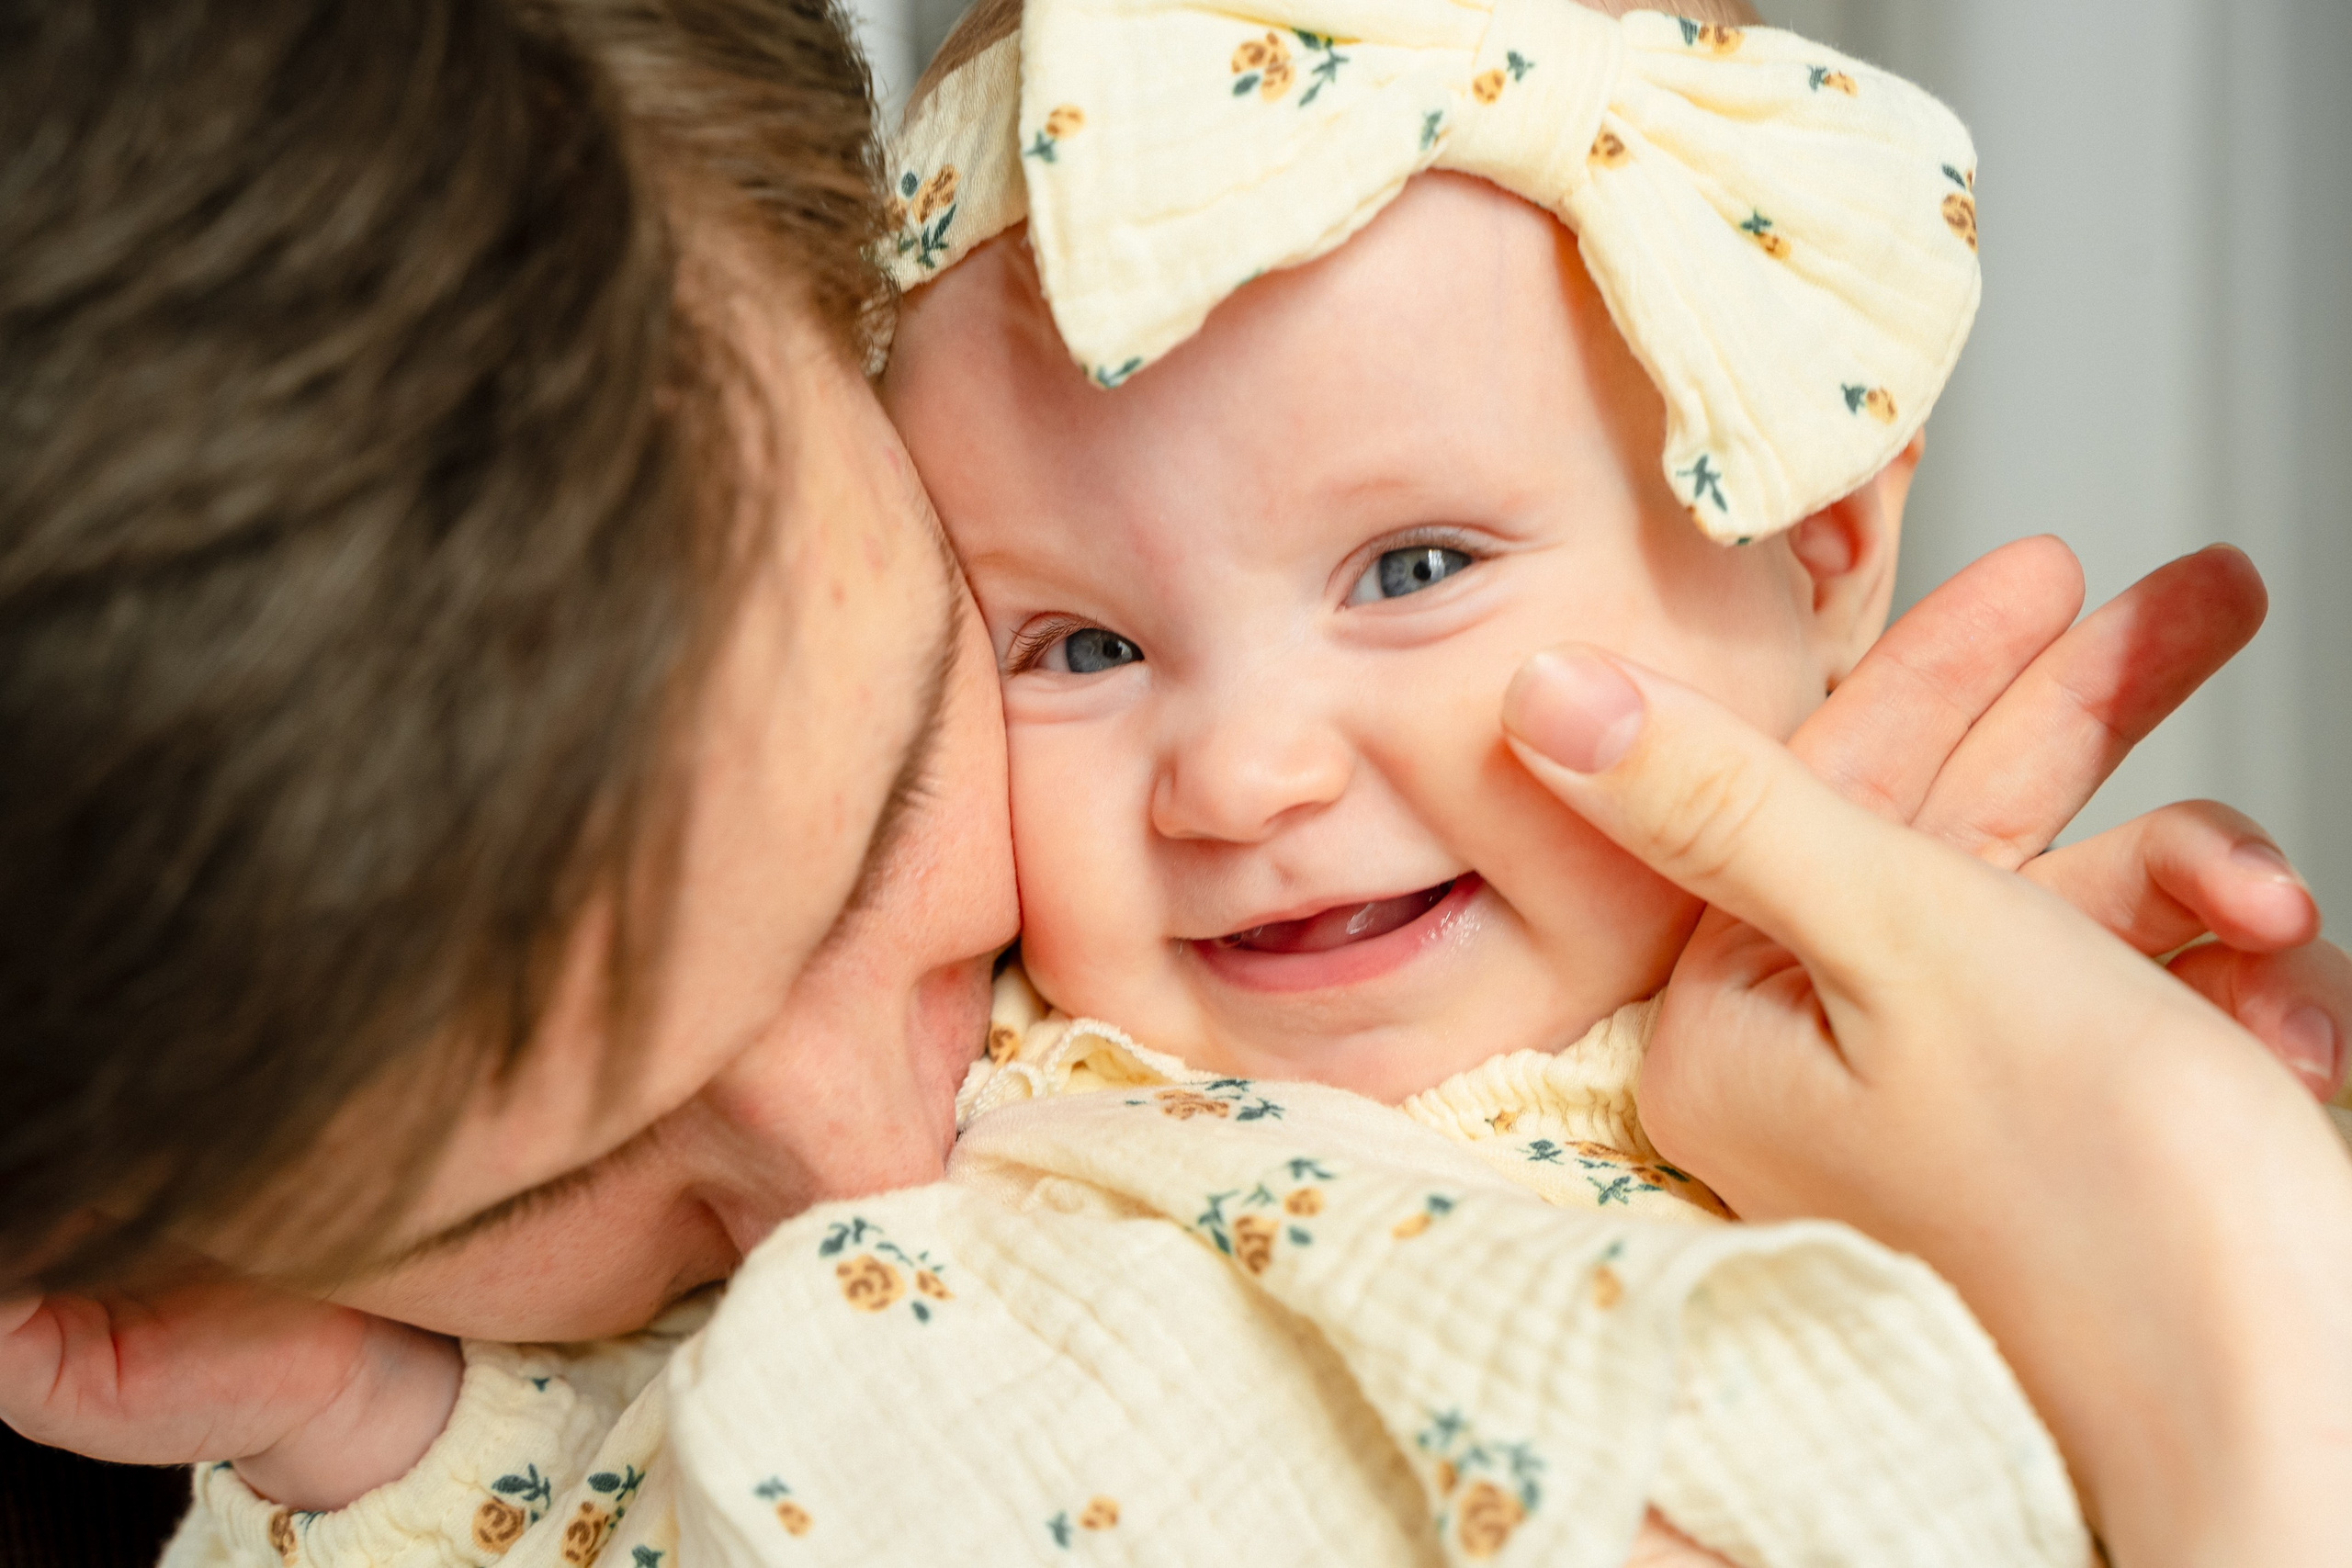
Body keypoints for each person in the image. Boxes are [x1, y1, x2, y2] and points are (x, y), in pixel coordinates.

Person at [1, 0, 2346, 1565]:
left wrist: (2150, 1219)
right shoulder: (1046, 1138)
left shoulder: (1939, 1103)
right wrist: (345, 1415)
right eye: (1080, 649)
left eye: (1412, 564)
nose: (856, 1180)